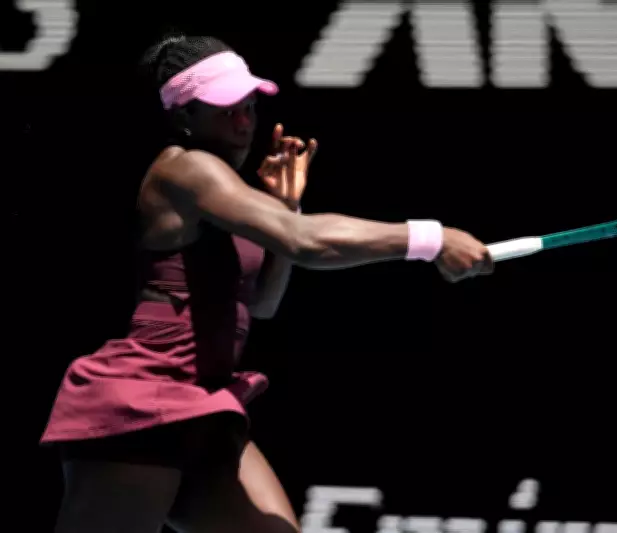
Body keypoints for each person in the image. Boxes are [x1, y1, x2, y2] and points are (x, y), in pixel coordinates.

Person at [41, 34, 493, 533]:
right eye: (225, 110)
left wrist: (286, 208)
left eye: (249, 107)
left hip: (204, 401)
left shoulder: (227, 192)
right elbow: (305, 242)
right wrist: (431, 238)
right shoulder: (186, 169)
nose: (243, 123)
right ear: (184, 115)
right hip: (143, 400)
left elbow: (263, 304)